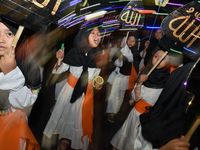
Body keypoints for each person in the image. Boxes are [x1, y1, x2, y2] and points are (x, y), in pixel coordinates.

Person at [43, 25, 105, 150]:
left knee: (78, 121)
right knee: (66, 116)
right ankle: (64, 140)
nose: (97, 36)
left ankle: (73, 142)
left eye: (98, 33)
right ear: (84, 36)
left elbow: (94, 79)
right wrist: (60, 60)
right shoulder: (73, 53)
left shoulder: (98, 57)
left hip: (85, 96)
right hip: (69, 93)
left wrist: (97, 85)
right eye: (93, 33)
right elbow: (58, 70)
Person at [111, 47, 171, 150]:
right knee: (129, 137)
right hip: (137, 114)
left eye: (163, 58)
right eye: (156, 56)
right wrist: (139, 83)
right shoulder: (146, 74)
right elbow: (135, 97)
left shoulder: (170, 79)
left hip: (151, 119)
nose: (158, 60)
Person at [0, 17, 40, 149]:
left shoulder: (28, 63)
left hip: (12, 126)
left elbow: (25, 102)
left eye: (9, 33)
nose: (1, 40)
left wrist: (11, 73)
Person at [106, 34, 138, 122]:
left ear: (135, 43)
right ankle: (111, 112)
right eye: (129, 40)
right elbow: (114, 62)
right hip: (118, 75)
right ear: (126, 41)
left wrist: (124, 54)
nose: (130, 42)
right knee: (114, 94)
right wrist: (120, 56)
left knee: (121, 95)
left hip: (126, 77)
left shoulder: (134, 52)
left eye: (133, 41)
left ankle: (116, 110)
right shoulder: (120, 50)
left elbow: (131, 61)